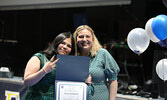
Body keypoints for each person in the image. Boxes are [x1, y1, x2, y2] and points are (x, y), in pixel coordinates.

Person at [73, 25, 120, 100]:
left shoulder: (102, 53)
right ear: (76, 39)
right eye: (81, 37)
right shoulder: (73, 57)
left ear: (93, 39)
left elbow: (113, 80)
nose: (84, 39)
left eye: (88, 36)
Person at [23, 32, 73, 100]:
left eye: (69, 46)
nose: (65, 47)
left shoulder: (69, 65)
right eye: (63, 43)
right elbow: (27, 82)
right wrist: (43, 71)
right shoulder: (40, 58)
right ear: (56, 43)